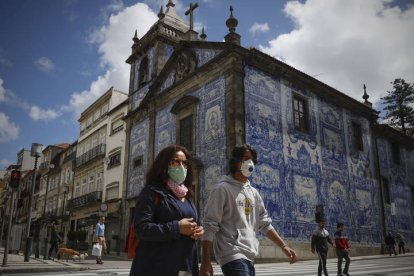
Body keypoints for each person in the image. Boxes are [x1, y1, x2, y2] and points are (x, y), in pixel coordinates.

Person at [200, 144, 297, 276]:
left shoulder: (254, 193)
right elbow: (210, 225)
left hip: (249, 254)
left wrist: (283, 246)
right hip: (231, 253)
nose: (250, 162)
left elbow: (264, 223)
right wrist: (206, 262)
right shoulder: (222, 189)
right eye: (245, 158)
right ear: (235, 162)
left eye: (251, 159)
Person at [129, 145, 204, 276]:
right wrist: (177, 228)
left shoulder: (187, 196)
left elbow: (189, 225)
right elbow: (141, 228)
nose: (181, 167)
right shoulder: (151, 192)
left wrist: (197, 231)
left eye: (185, 163)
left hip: (185, 266)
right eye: (175, 161)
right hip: (157, 266)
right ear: (163, 165)